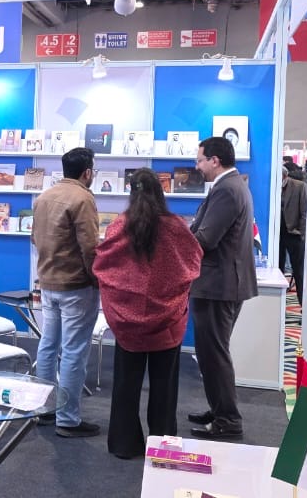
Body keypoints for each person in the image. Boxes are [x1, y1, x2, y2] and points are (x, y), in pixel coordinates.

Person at [93, 169, 202, 459]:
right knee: (165, 387)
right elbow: (193, 260)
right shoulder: (175, 226)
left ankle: (124, 444)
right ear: (160, 192)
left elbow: (104, 265)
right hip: (167, 321)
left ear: (132, 192)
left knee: (125, 384)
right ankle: (163, 447)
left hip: (128, 323)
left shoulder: (120, 225)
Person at [186, 136, 257, 440]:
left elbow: (206, 238)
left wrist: (179, 240)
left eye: (200, 160)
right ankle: (219, 410)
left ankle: (228, 419)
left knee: (214, 354)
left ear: (214, 160)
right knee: (211, 352)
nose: (197, 166)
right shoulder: (231, 186)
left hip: (218, 284)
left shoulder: (227, 189)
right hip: (221, 282)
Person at [31, 146, 101, 438]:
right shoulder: (83, 198)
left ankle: (44, 409)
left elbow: (35, 238)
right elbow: (90, 247)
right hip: (76, 286)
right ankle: (68, 419)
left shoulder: (43, 197)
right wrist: (96, 278)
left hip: (48, 283)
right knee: (73, 351)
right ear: (88, 172)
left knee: (48, 345)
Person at [279, 166, 307, 304]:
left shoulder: (299, 186)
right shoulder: (270, 186)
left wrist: (302, 232)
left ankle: (303, 304)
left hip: (294, 233)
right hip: (277, 235)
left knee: (298, 271)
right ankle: (278, 304)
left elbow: (305, 211)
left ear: (285, 176)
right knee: (278, 269)